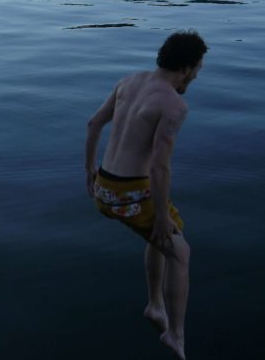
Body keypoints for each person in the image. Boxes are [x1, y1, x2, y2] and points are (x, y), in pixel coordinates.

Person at [85, 30, 207, 360]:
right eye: (197, 69)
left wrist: (88, 171)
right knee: (180, 251)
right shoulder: (174, 105)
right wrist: (163, 217)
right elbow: (160, 167)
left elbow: (94, 123)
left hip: (105, 187)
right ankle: (176, 335)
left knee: (158, 238)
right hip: (130, 193)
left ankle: (155, 305)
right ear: (187, 66)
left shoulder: (129, 82)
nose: (196, 75)